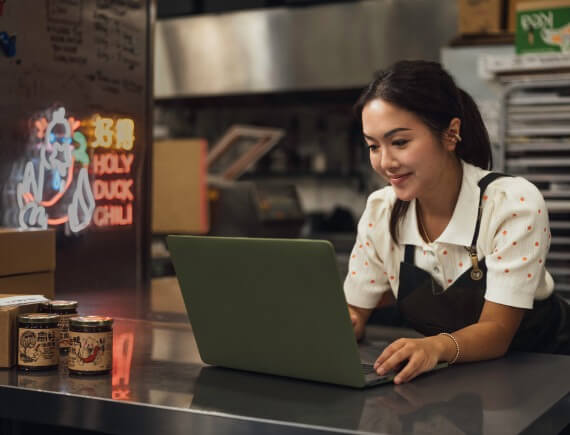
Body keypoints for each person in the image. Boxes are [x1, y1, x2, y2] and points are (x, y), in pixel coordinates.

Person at [345, 60, 570, 385]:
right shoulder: (381, 210)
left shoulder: (512, 202)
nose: (385, 162)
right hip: (464, 383)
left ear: (450, 134)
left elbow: (497, 332)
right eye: (372, 146)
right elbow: (356, 310)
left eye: (400, 142)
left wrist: (434, 347)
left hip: (550, 376)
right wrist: (338, 326)